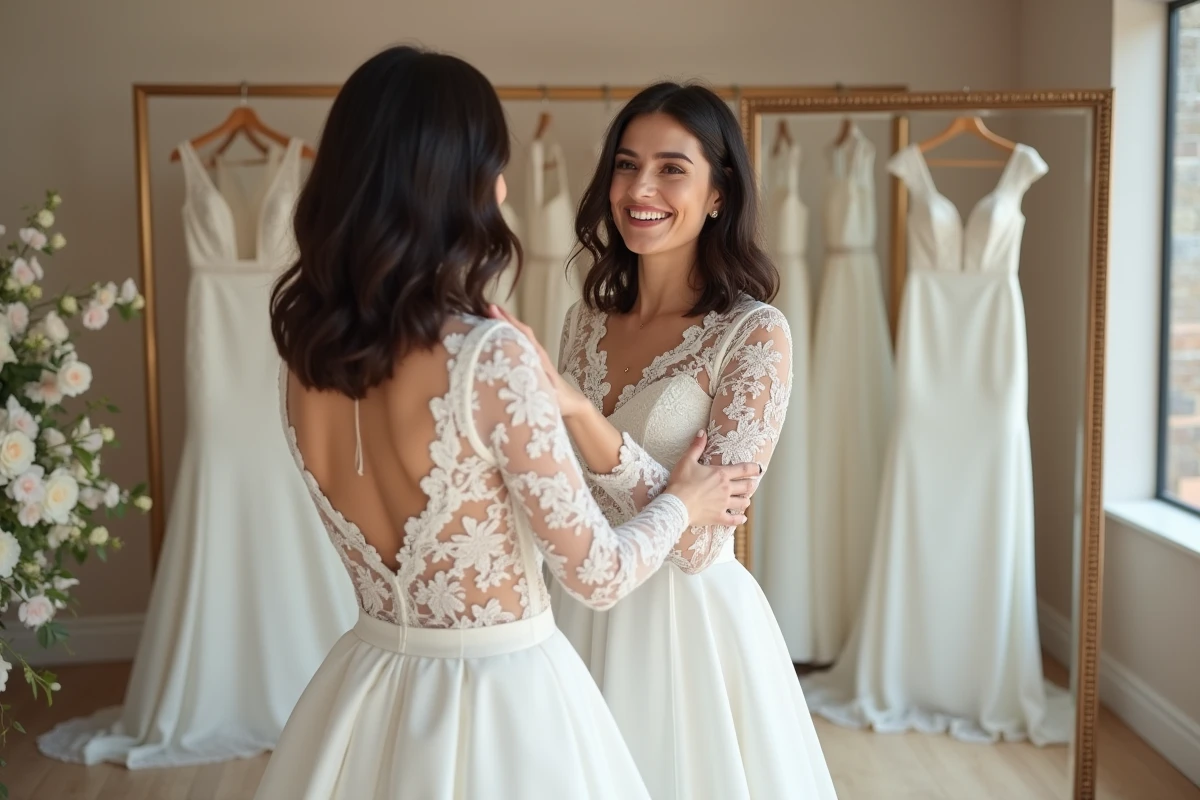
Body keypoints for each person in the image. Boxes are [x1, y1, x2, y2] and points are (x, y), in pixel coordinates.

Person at [252, 48, 760, 800]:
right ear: (451, 183)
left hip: (367, 686)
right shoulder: (490, 357)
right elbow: (598, 575)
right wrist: (683, 501)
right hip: (503, 697)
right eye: (493, 162)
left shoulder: (306, 357)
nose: (501, 185)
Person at [492, 81, 839, 799]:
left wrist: (582, 418)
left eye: (671, 168)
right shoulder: (584, 319)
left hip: (686, 635)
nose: (639, 187)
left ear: (719, 193)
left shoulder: (754, 335)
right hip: (577, 607)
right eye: (625, 164)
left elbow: (703, 543)